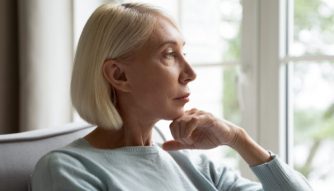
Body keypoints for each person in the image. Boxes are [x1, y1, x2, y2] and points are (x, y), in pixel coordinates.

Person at [32, 3, 313, 191]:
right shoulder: (68, 169)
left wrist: (237, 139)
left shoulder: (191, 163)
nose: (190, 73)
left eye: (184, 53)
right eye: (169, 54)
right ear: (119, 75)